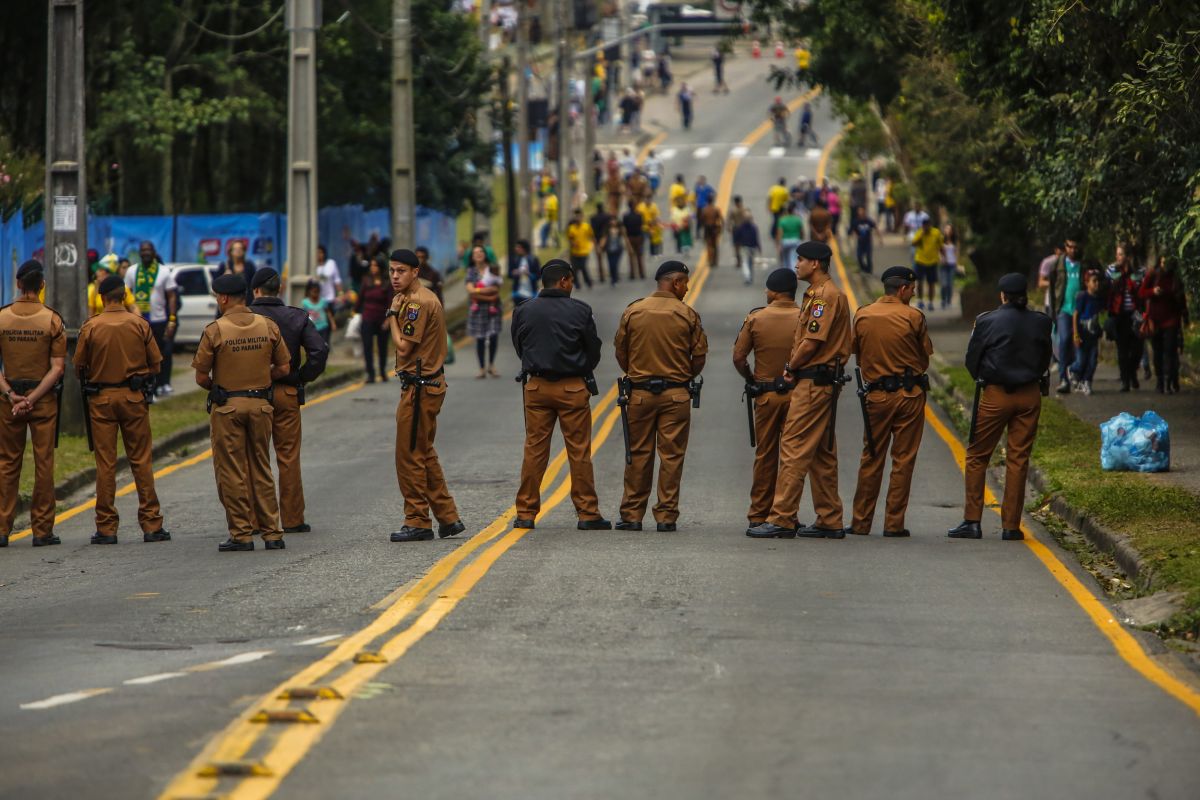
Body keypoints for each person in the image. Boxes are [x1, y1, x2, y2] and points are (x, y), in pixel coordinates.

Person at [748, 241, 851, 539]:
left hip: (813, 382)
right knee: (821, 451)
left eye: (801, 260)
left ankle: (781, 518)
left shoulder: (824, 297)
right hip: (822, 381)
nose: (796, 264)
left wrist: (790, 367)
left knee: (793, 446)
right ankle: (829, 518)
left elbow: (812, 342)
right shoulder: (820, 294)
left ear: (815, 264)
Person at [949, 272, 1052, 541]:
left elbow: (972, 359)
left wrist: (984, 377)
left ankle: (972, 521)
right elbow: (1045, 358)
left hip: (996, 394)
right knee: (1018, 459)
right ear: (1025, 295)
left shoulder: (987, 321)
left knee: (977, 455)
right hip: (1029, 394)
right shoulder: (1041, 322)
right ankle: (1011, 526)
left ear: (1002, 295)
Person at [193, 273, 291, 552]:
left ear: (224, 298)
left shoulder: (215, 330)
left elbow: (201, 377)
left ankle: (241, 533)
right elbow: (284, 367)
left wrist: (218, 387)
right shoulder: (267, 325)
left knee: (232, 471)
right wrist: (262, 378)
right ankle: (273, 533)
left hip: (228, 407)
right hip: (261, 405)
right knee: (262, 467)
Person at [510, 260, 610, 531]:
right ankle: (587, 513)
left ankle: (525, 512)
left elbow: (519, 346)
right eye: (572, 281)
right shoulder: (580, 310)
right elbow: (593, 349)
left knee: (534, 450)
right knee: (579, 452)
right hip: (572, 388)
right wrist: (579, 367)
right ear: (564, 281)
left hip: (536, 387)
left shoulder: (523, 310)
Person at [613, 261, 708, 531]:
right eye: (685, 283)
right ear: (675, 282)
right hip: (676, 395)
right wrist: (682, 376)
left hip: (640, 395)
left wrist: (636, 372)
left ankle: (632, 515)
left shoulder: (633, 310)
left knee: (638, 454)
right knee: (672, 457)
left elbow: (620, 351)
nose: (687, 289)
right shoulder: (687, 314)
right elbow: (699, 356)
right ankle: (666, 517)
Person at [74, 274, 168, 545]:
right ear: (125, 296)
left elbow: (79, 367)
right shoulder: (139, 324)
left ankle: (106, 527)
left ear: (102, 298)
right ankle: (151, 524)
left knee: (106, 464)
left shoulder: (91, 326)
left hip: (101, 400)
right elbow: (156, 365)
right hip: (133, 398)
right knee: (141, 460)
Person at [846, 266, 933, 538]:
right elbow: (924, 358)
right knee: (903, 460)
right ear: (903, 289)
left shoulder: (862, 314)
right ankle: (894, 524)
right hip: (909, 396)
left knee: (871, 457)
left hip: (876, 396)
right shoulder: (913, 316)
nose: (913, 293)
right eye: (912, 289)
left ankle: (860, 522)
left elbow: (857, 352)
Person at [385, 250, 465, 543]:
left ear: (415, 272)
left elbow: (403, 346)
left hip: (420, 388)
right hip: (426, 384)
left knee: (409, 456)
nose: (395, 276)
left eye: (401, 271)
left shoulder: (416, 303)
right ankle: (448, 518)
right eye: (392, 271)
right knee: (423, 451)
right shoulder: (419, 296)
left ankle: (417, 520)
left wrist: (392, 315)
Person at [250, 268, 329, 534]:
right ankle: (293, 518)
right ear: (280, 289)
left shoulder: (244, 317)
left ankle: (254, 519)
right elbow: (319, 350)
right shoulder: (297, 316)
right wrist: (301, 377)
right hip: (287, 391)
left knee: (254, 457)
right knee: (288, 457)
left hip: (252, 393)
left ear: (255, 291)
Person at [0, 261, 66, 547]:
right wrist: (32, 398)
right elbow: (58, 368)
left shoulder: (2, 318)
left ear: (18, 284)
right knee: (44, 463)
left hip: (9, 402)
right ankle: (42, 530)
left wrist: (11, 395)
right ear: (41, 286)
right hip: (43, 401)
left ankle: (2, 528)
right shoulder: (52, 320)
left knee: (7, 463)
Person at [732, 268, 803, 529]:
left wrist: (751, 379)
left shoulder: (756, 318)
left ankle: (758, 514)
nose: (765, 292)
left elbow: (739, 357)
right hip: (799, 397)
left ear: (774, 292)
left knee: (765, 455)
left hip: (766, 396)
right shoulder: (805, 317)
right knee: (793, 458)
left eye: (767, 289)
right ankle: (787, 514)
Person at [124, 241, 178, 396]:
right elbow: (126, 294)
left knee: (159, 354)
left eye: (148, 250)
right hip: (139, 321)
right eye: (143, 250)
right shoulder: (132, 271)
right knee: (142, 356)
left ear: (154, 252)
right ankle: (147, 388)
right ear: (139, 253)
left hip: (159, 320)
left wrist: (172, 319)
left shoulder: (164, 271)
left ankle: (161, 384)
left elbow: (172, 296)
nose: (145, 253)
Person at [1140, 256, 1187, 394]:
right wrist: (1152, 291)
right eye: (1163, 262)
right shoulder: (1152, 275)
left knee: (1170, 350)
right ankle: (1160, 380)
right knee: (1158, 351)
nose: (1165, 266)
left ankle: (1169, 381)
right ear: (1160, 262)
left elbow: (1181, 298)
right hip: (1155, 320)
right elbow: (1141, 292)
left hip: (1172, 319)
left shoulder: (1175, 277)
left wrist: (1185, 316)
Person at [1043, 236, 1084, 392]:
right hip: (1064, 309)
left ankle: (1076, 372)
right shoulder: (1057, 264)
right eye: (1069, 246)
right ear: (1065, 246)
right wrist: (1053, 311)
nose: (1072, 250)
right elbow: (1052, 289)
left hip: (1081, 310)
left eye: (1075, 247)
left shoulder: (1085, 265)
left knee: (1080, 343)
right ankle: (1063, 379)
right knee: (1065, 339)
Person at [1106, 243, 1145, 392]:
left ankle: (1132, 372)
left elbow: (1143, 290)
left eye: (1121, 254)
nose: (1118, 257)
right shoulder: (1112, 270)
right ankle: (1125, 380)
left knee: (1137, 349)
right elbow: (1105, 288)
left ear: (1128, 256)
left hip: (1136, 315)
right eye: (1117, 254)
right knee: (1122, 349)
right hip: (1119, 314)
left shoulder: (1140, 271)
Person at [465, 245, 503, 378]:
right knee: (480, 338)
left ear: (485, 254)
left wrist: (478, 290)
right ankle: (482, 368)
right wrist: (487, 294)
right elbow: (470, 291)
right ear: (472, 257)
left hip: (493, 308)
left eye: (481, 251)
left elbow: (496, 288)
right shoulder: (471, 271)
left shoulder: (492, 268)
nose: (479, 254)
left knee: (493, 335)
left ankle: (491, 365)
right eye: (475, 252)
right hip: (478, 309)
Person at [356, 256, 394, 383]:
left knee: (382, 347)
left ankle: (382, 371)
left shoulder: (387, 283)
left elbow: (391, 303)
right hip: (367, 318)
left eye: (376, 265)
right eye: (371, 265)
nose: (373, 268)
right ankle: (370, 374)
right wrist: (355, 313)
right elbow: (360, 300)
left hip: (382, 320)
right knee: (367, 347)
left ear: (381, 267)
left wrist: (388, 320)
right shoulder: (366, 281)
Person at [1069, 267, 1105, 395]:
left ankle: (1087, 381)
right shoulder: (1083, 296)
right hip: (1082, 333)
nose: (1097, 283)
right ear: (1086, 283)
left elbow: (1100, 316)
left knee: (1092, 361)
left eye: (1098, 281)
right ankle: (1073, 370)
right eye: (1094, 281)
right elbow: (1075, 315)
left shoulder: (1099, 299)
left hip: (1093, 334)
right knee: (1081, 361)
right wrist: (1076, 334)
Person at [910, 217, 943, 311]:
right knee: (919, 282)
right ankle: (920, 300)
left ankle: (931, 302)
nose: (926, 227)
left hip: (932, 261)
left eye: (927, 225)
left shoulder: (936, 232)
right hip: (920, 260)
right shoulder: (920, 232)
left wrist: (943, 256)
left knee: (931, 283)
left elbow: (940, 245)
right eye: (924, 225)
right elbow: (913, 243)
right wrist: (922, 235)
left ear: (930, 225)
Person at [216, 239, 257, 306]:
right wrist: (224, 277)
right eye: (235, 249)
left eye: (240, 248)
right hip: (229, 304)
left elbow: (254, 284)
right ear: (231, 252)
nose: (238, 251)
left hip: (247, 303)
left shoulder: (249, 266)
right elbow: (216, 286)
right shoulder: (224, 266)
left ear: (244, 251)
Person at [567, 208, 596, 289]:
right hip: (574, 252)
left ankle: (588, 282)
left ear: (582, 217)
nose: (578, 218)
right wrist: (572, 243)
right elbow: (570, 239)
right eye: (576, 217)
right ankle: (577, 284)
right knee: (574, 269)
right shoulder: (572, 228)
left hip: (584, 251)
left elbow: (592, 236)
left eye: (579, 216)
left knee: (583, 267)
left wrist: (594, 246)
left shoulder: (586, 226)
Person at [301, 279, 336, 344]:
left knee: (324, 345)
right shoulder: (305, 302)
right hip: (312, 329)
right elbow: (303, 316)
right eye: (314, 292)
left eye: (317, 292)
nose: (316, 294)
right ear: (309, 291)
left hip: (323, 327)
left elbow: (328, 312)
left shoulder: (323, 301)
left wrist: (332, 323)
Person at [732, 211, 762, 285]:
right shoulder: (754, 227)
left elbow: (736, 237)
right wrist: (759, 247)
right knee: (750, 262)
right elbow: (756, 238)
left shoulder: (740, 227)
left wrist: (736, 245)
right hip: (752, 247)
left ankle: (747, 277)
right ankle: (750, 276)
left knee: (745, 262)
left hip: (744, 247)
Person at [509, 239, 541, 304]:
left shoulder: (533, 260)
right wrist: (514, 273)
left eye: (518, 247)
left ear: (524, 248)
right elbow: (510, 274)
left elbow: (538, 276)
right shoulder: (515, 259)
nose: (516, 249)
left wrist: (528, 274)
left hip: (531, 294)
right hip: (517, 294)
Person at [851, 206, 881, 275]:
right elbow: (853, 230)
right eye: (859, 211)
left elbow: (875, 228)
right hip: (860, 243)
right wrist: (856, 236)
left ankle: (869, 271)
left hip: (868, 242)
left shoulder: (868, 221)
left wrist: (880, 239)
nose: (860, 212)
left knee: (868, 257)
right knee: (859, 256)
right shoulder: (856, 221)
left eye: (862, 211)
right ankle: (863, 268)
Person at [775, 202, 805, 270]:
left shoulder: (782, 220)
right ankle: (793, 273)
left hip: (785, 241)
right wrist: (801, 238)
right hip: (795, 240)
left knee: (785, 260)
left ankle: (785, 273)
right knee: (793, 259)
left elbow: (779, 233)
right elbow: (801, 231)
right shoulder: (798, 219)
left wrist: (778, 244)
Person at [622, 199, 646, 280]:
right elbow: (641, 226)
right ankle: (641, 273)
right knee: (639, 256)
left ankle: (632, 274)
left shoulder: (625, 216)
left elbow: (624, 228)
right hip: (638, 237)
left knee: (631, 257)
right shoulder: (639, 215)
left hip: (630, 237)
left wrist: (626, 239)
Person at [600, 215, 626, 287]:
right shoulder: (607, 229)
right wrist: (601, 246)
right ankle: (613, 278)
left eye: (614, 220)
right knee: (610, 265)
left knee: (615, 264)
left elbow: (625, 238)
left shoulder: (620, 229)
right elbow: (604, 238)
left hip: (618, 250)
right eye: (612, 220)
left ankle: (615, 279)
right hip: (609, 250)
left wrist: (629, 247)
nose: (613, 221)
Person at [315, 244, 343, 309]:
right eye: (317, 253)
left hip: (330, 299)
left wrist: (340, 294)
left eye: (320, 252)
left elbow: (337, 280)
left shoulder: (331, 263)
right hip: (317, 301)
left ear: (324, 253)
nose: (319, 255)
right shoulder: (313, 266)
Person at [698, 201, 724, 269]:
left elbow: (701, 220)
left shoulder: (705, 210)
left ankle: (710, 261)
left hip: (707, 229)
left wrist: (703, 226)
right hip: (714, 228)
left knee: (709, 245)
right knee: (715, 245)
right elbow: (721, 219)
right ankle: (715, 261)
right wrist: (720, 228)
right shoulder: (716, 209)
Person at [939, 224, 958, 309]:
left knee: (950, 284)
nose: (948, 231)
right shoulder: (941, 240)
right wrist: (941, 259)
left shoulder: (955, 241)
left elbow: (957, 253)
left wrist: (957, 264)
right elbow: (938, 251)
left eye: (950, 229)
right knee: (944, 284)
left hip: (952, 264)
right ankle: (943, 300)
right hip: (943, 265)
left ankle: (949, 301)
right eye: (947, 229)